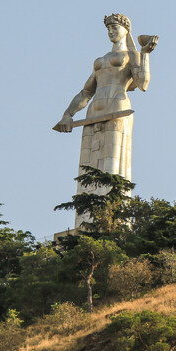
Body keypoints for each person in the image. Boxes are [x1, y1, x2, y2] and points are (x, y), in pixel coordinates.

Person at [53, 13, 156, 225]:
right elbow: (85, 92)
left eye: (114, 27)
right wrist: (68, 114)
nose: (110, 32)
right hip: (93, 113)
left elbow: (142, 83)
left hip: (117, 109)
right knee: (88, 167)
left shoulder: (132, 55)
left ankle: (113, 220)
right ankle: (85, 222)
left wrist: (145, 54)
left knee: (113, 163)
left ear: (126, 29)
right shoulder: (100, 61)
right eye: (108, 28)